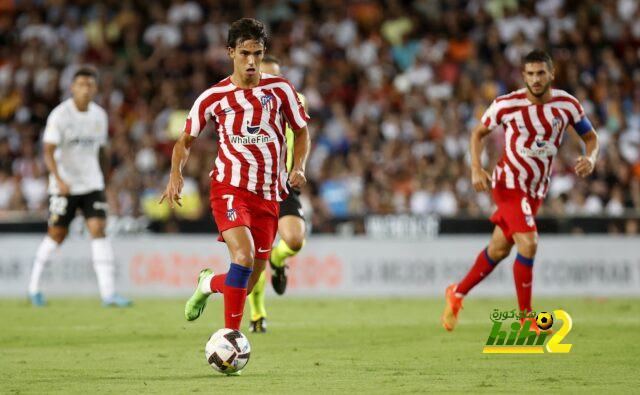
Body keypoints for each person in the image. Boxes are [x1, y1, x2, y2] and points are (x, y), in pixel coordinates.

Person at [160, 18, 310, 334]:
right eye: (244, 53)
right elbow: (184, 143)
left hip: (270, 193)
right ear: (231, 52)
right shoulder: (213, 97)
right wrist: (176, 174)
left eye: (257, 53)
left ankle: (206, 284)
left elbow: (302, 131)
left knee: (247, 279)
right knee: (243, 257)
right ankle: (233, 339)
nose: (252, 61)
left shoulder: (281, 90)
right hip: (230, 188)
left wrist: (299, 167)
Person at [441, 50, 599, 332]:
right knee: (529, 243)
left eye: (541, 73)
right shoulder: (506, 104)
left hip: (536, 189)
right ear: (523, 76)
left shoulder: (567, 105)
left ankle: (457, 292)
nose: (535, 79)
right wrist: (476, 168)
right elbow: (477, 133)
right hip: (509, 184)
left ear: (552, 74)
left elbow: (591, 137)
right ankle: (527, 320)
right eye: (530, 74)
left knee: (499, 249)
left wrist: (591, 158)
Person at [28, 67, 132, 307]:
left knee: (98, 230)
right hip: (64, 185)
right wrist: (59, 179)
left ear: (95, 89)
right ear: (72, 88)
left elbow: (102, 151)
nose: (85, 89)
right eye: (81, 84)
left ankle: (108, 294)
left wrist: (104, 181)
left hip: (92, 183)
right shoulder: (60, 115)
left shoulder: (99, 115)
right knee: (57, 234)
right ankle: (34, 288)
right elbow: (48, 151)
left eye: (89, 85)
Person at [246, 55, 309, 333]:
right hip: (254, 185)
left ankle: (278, 259)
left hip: (283, 183)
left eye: (276, 77)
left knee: (294, 240)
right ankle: (258, 314)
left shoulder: (295, 100)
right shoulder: (243, 102)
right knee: (252, 253)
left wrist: (298, 167)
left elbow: (302, 134)